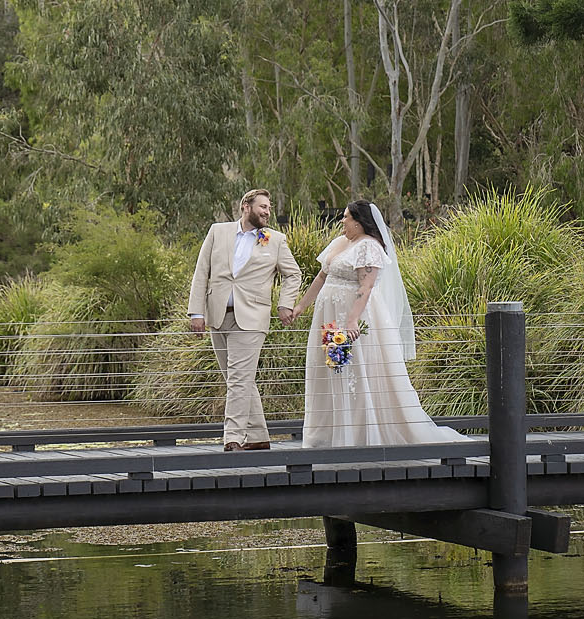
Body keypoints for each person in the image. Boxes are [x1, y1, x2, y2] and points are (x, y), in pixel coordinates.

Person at [292, 199, 466, 448]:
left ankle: (359, 435)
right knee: (332, 368)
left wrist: (352, 319)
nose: (342, 221)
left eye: (346, 217)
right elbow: (322, 276)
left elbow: (366, 285)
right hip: (328, 318)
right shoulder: (340, 243)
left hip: (352, 317)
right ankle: (328, 435)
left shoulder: (369, 247)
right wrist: (301, 306)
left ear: (360, 222)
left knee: (353, 370)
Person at [189, 189, 302, 452]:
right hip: (218, 317)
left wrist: (285, 303)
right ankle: (259, 437)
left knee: (239, 380)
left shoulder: (275, 239)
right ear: (245, 206)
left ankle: (233, 438)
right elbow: (201, 271)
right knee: (238, 379)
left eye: (269, 208)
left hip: (251, 319)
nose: (267, 211)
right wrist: (197, 312)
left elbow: (292, 274)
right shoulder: (218, 231)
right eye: (262, 206)